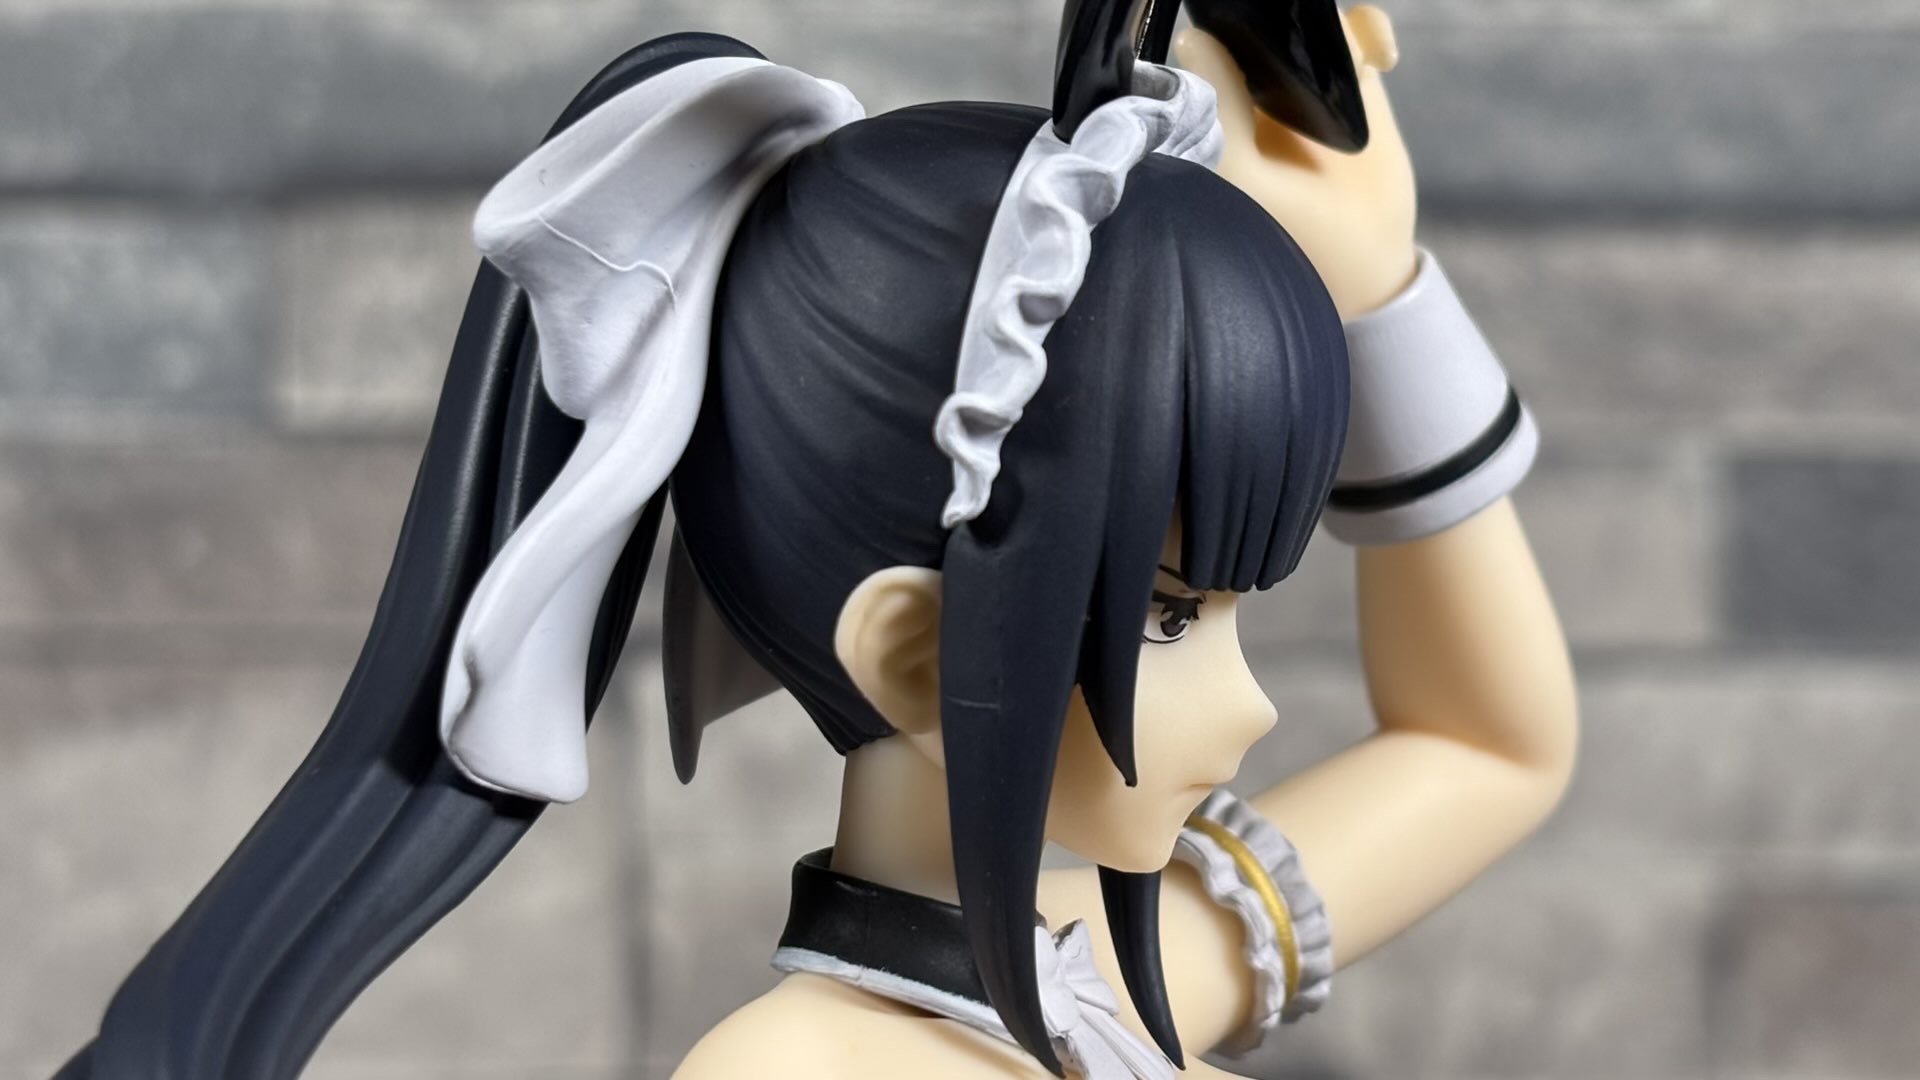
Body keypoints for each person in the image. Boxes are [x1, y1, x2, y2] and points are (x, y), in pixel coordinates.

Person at [57, 3, 1576, 1078]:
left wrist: (1380, 285)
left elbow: (1488, 747)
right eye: (1169, 616)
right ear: (912, 648)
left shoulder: (1097, 986)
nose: (1254, 706)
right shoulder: (802, 1071)